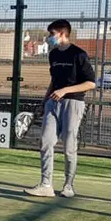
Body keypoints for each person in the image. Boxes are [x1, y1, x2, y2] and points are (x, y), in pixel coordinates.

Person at [24, 20, 96, 198]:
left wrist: (65, 91)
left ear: (63, 33)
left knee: (69, 147)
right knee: (46, 141)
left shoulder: (79, 54)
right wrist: (44, 102)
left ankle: (68, 186)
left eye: (52, 34)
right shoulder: (54, 54)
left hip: (73, 103)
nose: (49, 38)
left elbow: (91, 83)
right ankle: (45, 185)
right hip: (52, 104)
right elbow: (53, 81)